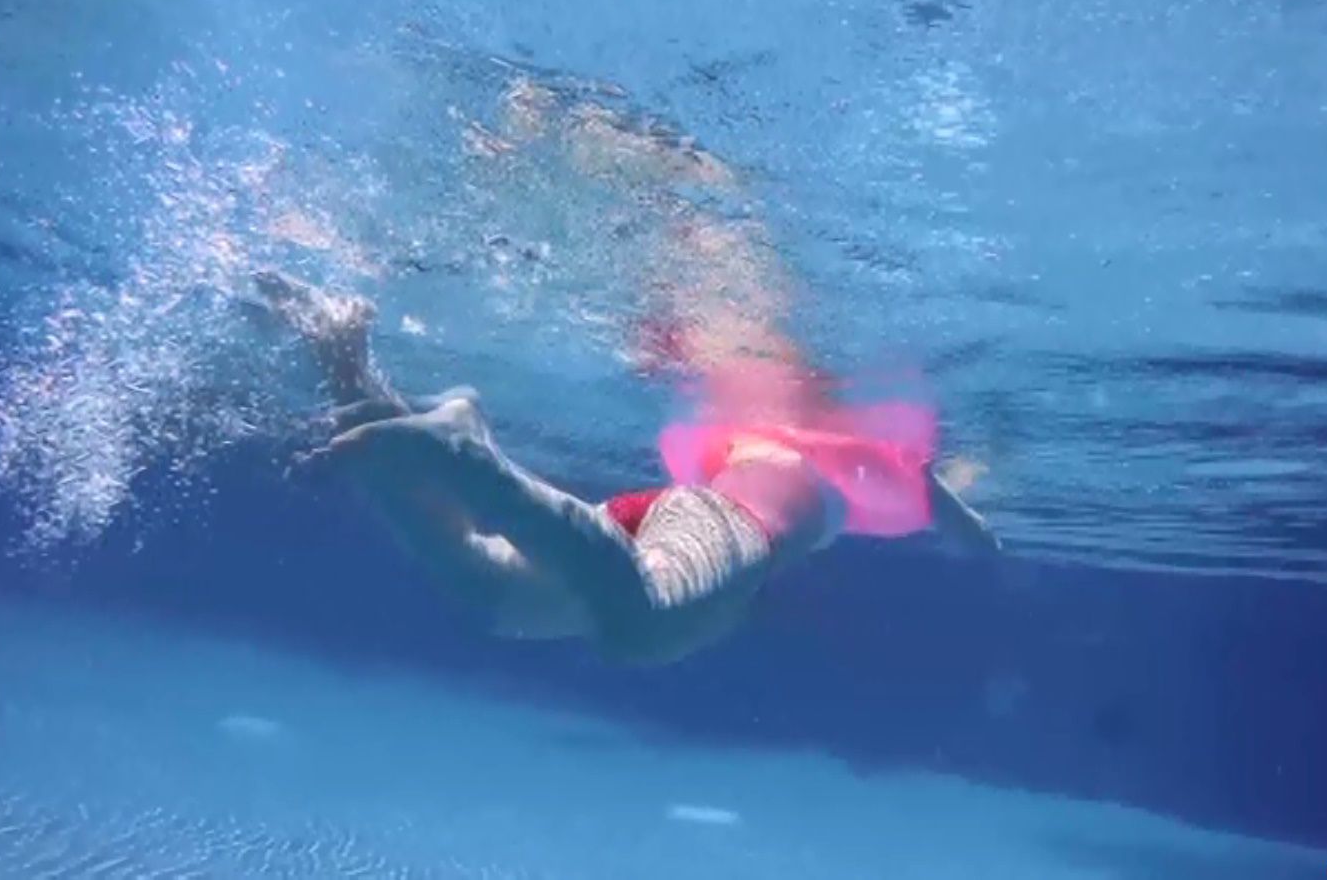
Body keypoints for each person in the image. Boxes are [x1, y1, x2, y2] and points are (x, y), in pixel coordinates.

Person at [255, 271, 999, 665]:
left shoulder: (780, 451)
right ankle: (466, 449)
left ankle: (345, 363)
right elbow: (951, 514)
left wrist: (960, 520)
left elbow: (944, 510)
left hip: (672, 523)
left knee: (495, 599)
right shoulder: (863, 466)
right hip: (717, 527)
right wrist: (960, 517)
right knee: (639, 630)